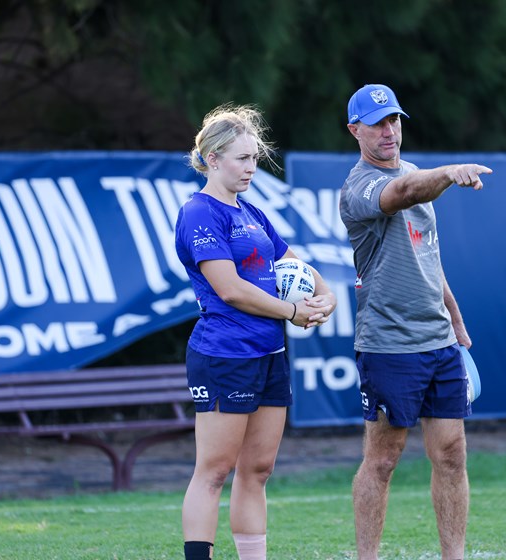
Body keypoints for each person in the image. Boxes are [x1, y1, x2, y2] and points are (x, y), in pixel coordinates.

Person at [175, 104, 337, 560]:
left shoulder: (251, 212)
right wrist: (292, 311)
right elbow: (229, 289)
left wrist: (326, 296)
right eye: (242, 158)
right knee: (214, 470)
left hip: (268, 353)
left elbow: (291, 262)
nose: (251, 167)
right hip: (225, 353)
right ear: (212, 159)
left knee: (259, 469)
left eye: (254, 158)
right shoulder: (199, 212)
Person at [339, 84, 492, 560]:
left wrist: (456, 320)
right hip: (389, 344)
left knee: (452, 455)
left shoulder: (413, 173)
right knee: (382, 460)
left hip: (439, 341)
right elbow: (403, 193)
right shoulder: (360, 187)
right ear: (355, 131)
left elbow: (428, 258)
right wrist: (447, 172)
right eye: (377, 123)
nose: (389, 130)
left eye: (394, 120)